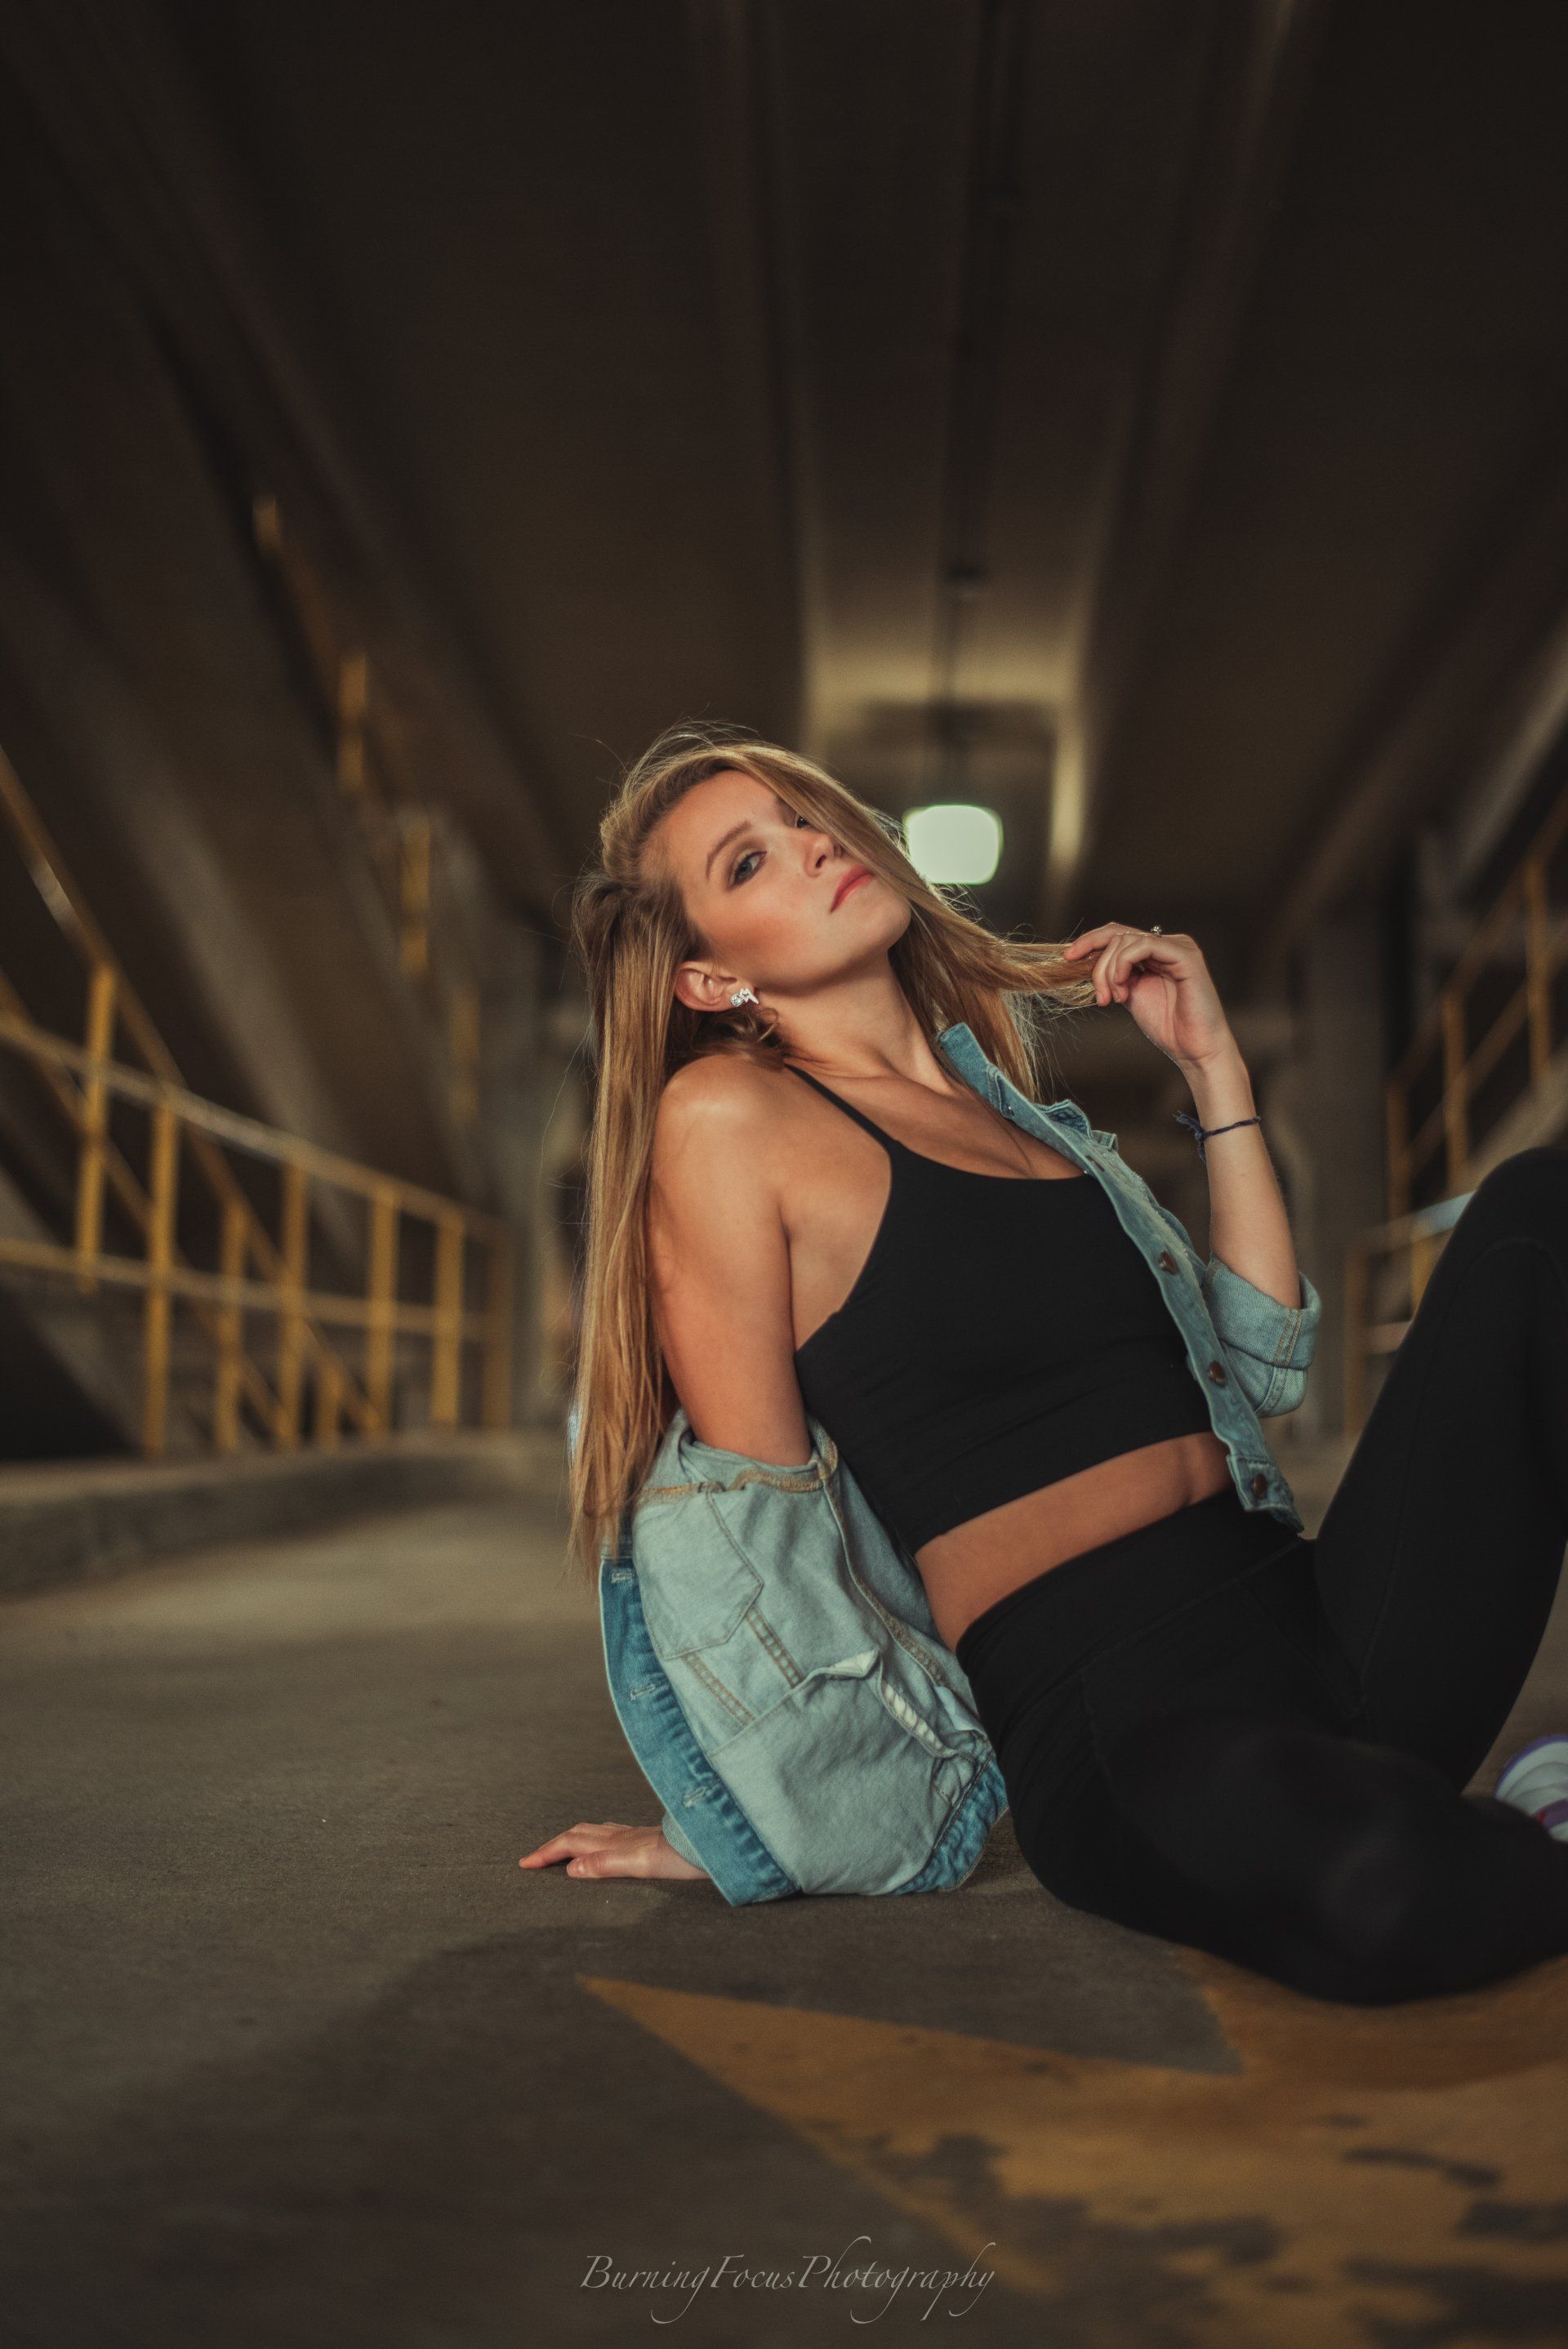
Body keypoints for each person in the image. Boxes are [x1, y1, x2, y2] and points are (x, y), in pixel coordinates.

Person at [520, 720, 1568, 2004]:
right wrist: (734, 1823)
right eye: (748, 865)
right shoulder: (732, 1121)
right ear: (708, 982)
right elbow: (752, 1531)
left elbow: (1253, 1365)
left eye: (808, 820)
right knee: (1392, 1900)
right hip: (1127, 1717)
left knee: (1534, 1213)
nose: (813, 850)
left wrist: (1213, 1069)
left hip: (1323, 1620)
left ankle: (1475, 1814)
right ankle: (1507, 1821)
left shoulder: (1022, 1119)